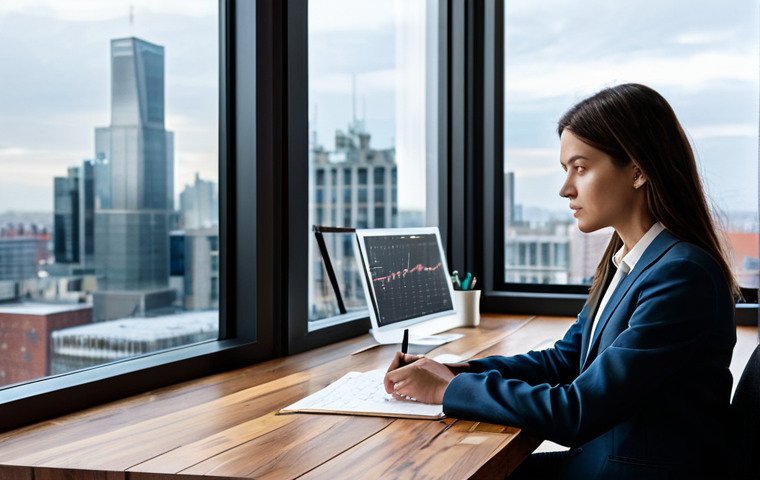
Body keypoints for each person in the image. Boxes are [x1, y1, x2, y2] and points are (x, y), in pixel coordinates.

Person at [384, 83, 739, 479]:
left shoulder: (681, 275)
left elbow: (578, 411)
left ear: (637, 171)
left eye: (581, 168)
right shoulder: (628, 261)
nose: (565, 189)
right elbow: (566, 360)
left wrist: (445, 392)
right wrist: (457, 371)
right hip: (607, 461)